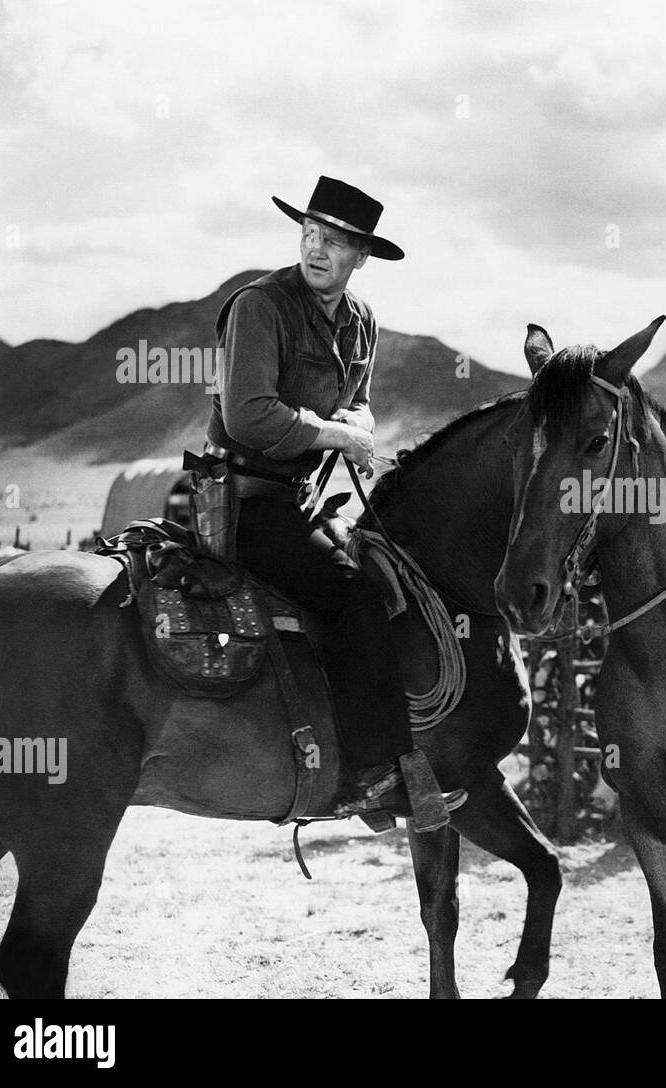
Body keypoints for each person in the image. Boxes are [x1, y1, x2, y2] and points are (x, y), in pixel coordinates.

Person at [206, 175, 461, 833]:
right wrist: (343, 433)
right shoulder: (261, 306)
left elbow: (361, 398)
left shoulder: (361, 323)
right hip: (236, 498)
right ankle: (369, 777)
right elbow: (249, 417)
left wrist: (357, 416)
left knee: (395, 574)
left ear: (361, 257)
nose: (316, 250)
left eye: (335, 242)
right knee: (353, 596)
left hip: (298, 500)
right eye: (309, 234)